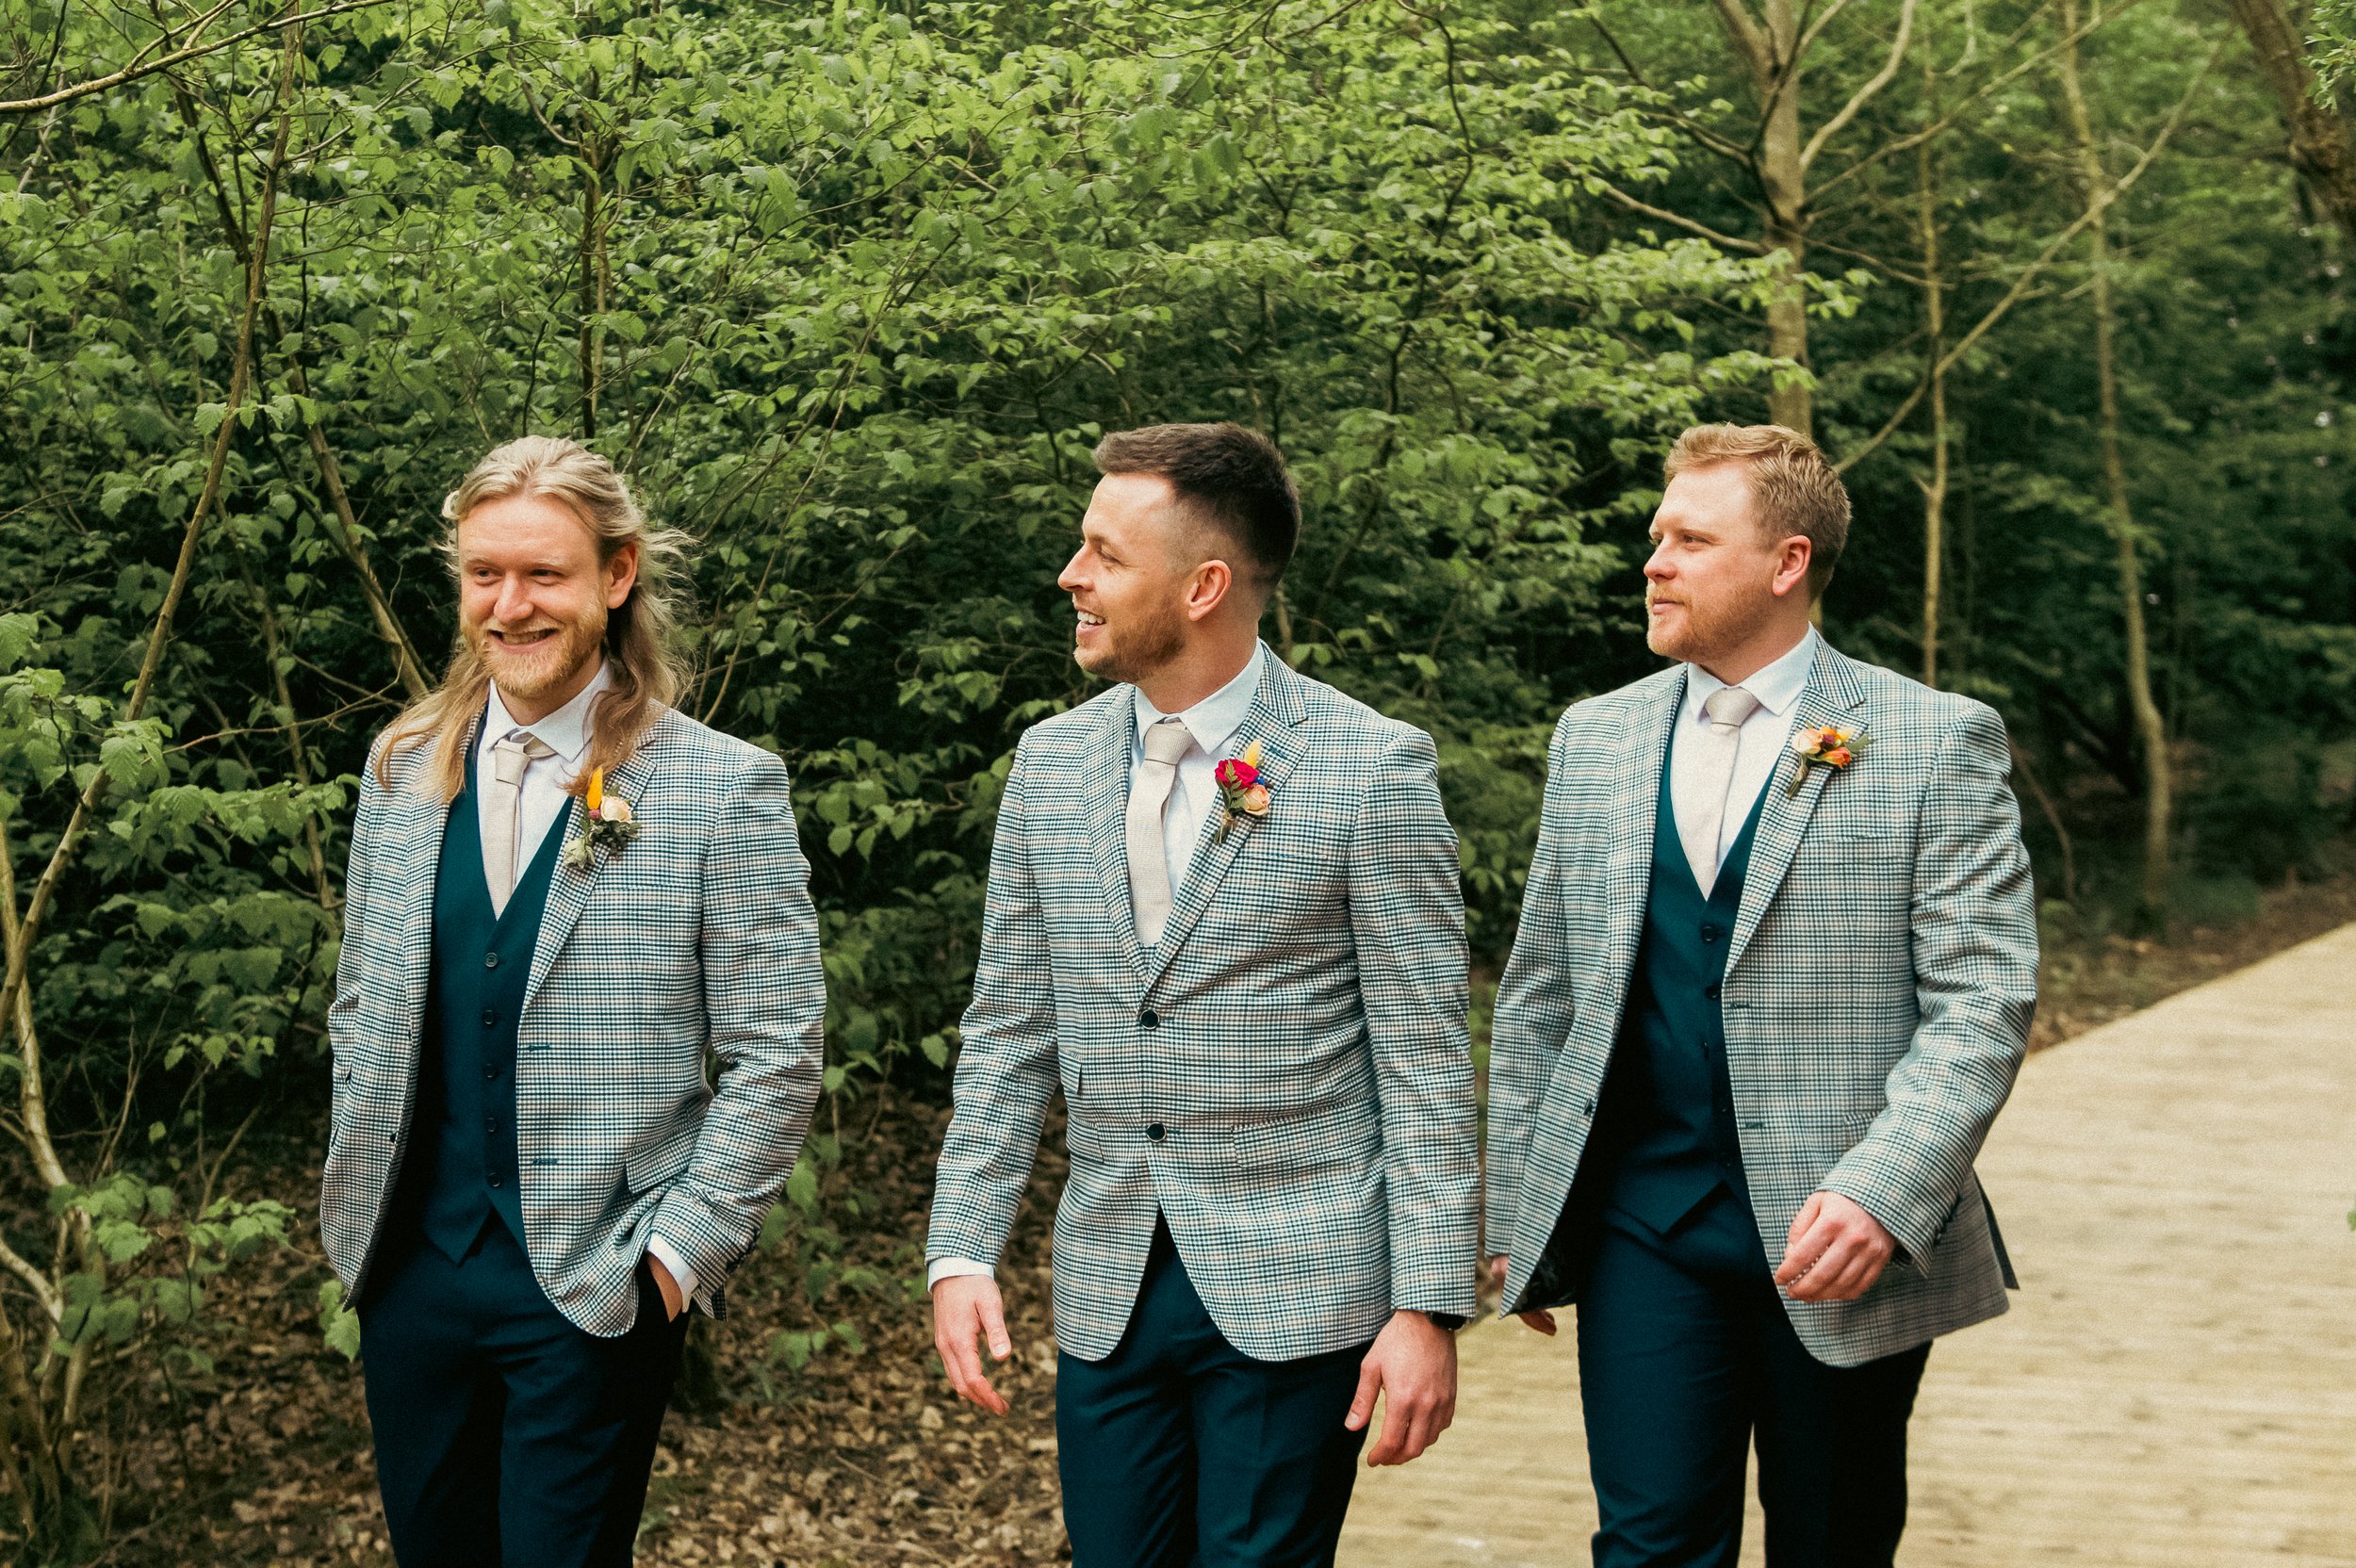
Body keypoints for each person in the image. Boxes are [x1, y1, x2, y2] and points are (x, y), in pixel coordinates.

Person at [926, 422, 1480, 1566]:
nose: (1071, 576)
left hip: (1302, 1286)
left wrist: (1426, 1304)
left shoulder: (1369, 769)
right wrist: (963, 1245)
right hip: (1107, 1280)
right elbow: (1007, 1028)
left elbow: (1423, 1058)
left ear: (1204, 585)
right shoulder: (1050, 763)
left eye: (1103, 554)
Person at [1483, 424, 2037, 1566]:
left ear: (1786, 562)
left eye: (1689, 538)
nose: (1655, 560)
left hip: (1838, 1235)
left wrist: (1885, 1190)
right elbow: (1544, 989)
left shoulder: (1932, 739)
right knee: (1645, 1545)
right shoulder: (1595, 738)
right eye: (1655, 536)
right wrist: (1515, 1204)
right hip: (1647, 1222)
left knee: (1831, 1539)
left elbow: (1982, 999)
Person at [319, 437, 826, 1567]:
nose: (511, 604)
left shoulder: (718, 784)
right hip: (409, 1271)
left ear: (616, 575)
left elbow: (778, 1050)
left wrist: (680, 1254)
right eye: (484, 573)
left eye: (543, 573)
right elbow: (363, 1002)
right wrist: (359, 1214)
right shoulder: (400, 768)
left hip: (599, 1278)